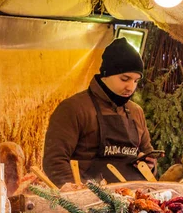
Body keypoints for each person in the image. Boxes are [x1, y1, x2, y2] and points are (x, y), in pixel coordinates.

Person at [43, 37, 155, 186]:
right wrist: (79, 195)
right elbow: (54, 161)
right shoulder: (74, 108)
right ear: (106, 74)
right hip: (89, 203)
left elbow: (148, 153)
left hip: (133, 200)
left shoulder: (136, 112)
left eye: (136, 81)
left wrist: (150, 165)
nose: (130, 87)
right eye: (125, 79)